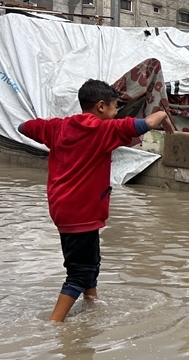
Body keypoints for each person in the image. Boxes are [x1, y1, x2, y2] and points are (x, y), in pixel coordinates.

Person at [18, 78, 168, 321]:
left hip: (61, 208)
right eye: (114, 107)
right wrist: (163, 113)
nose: (116, 112)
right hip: (83, 211)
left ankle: (92, 305)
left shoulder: (57, 127)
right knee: (79, 272)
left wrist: (53, 127)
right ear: (100, 106)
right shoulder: (103, 130)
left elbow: (23, 127)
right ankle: (54, 325)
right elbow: (146, 123)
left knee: (90, 261)